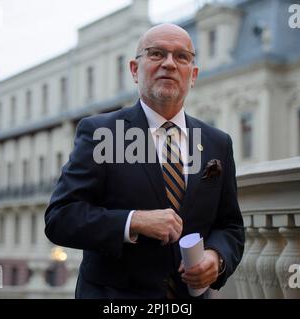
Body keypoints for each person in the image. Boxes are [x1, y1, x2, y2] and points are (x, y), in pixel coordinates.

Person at [44, 23, 244, 299]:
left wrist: (217, 258)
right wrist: (133, 221)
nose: (170, 64)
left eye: (181, 57)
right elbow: (60, 218)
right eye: (156, 54)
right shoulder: (102, 133)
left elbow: (230, 226)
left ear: (193, 74)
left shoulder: (217, 143)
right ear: (135, 70)